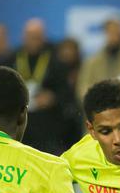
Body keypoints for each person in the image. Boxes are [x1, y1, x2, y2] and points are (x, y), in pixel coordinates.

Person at [11, 18, 76, 155]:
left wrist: (53, 98)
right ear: (23, 37)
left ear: (43, 37)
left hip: (49, 127)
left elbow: (67, 92)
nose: (33, 41)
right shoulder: (14, 57)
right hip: (22, 126)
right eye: (30, 37)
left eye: (37, 37)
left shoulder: (56, 58)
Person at [76, 17, 120, 100]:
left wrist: (114, 102)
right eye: (110, 32)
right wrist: (96, 101)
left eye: (116, 32)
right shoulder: (92, 61)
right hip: (97, 109)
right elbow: (82, 87)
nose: (113, 36)